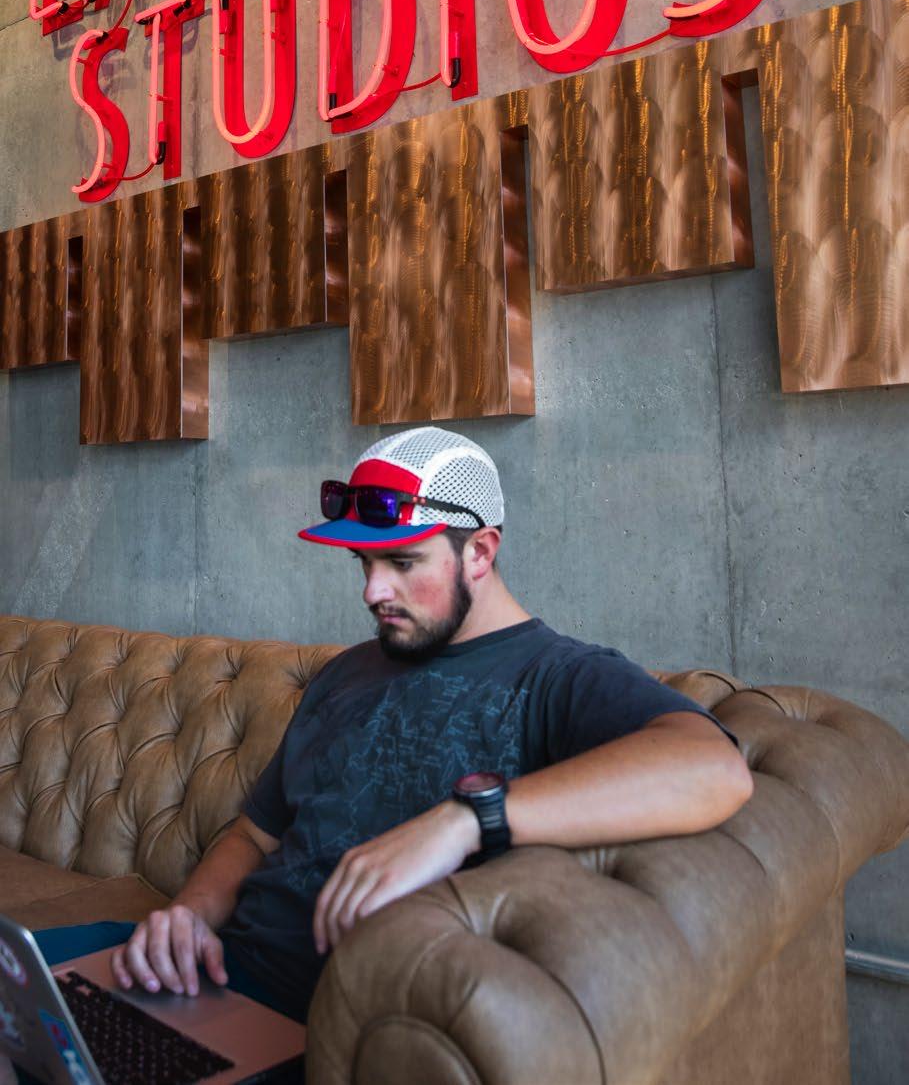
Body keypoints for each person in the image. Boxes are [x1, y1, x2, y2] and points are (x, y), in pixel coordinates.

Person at [4, 426, 752, 1082]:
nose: (372, 591)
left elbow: (711, 767)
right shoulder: (347, 673)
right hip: (204, 974)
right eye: (364, 565)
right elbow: (253, 835)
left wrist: (464, 820)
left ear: (480, 551)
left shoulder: (558, 675)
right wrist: (188, 916)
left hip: (319, 1026)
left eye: (401, 562)